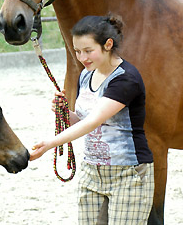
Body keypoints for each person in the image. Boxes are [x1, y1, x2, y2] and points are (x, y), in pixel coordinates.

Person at [30, 14, 154, 225]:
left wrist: (50, 143)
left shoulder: (126, 79)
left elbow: (94, 121)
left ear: (108, 44)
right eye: (77, 51)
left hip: (128, 173)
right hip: (91, 173)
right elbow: (83, 120)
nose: (82, 57)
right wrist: (63, 114)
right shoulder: (86, 75)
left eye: (88, 51)